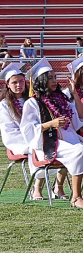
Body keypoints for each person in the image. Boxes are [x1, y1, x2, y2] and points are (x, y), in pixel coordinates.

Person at [21, 58, 83, 208]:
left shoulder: (61, 99)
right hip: (48, 143)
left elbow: (80, 118)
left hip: (69, 139)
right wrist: (51, 124)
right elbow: (28, 129)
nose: (54, 81)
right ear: (41, 81)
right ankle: (75, 197)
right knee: (79, 152)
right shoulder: (32, 103)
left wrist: (75, 94)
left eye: (55, 77)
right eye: (50, 78)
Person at [0, 62, 49, 200]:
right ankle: (37, 188)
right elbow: (9, 129)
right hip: (16, 140)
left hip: (34, 135)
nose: (18, 85)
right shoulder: (3, 105)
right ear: (8, 84)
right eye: (14, 82)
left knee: (50, 144)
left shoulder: (31, 99)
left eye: (21, 81)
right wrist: (31, 135)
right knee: (36, 146)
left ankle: (56, 186)